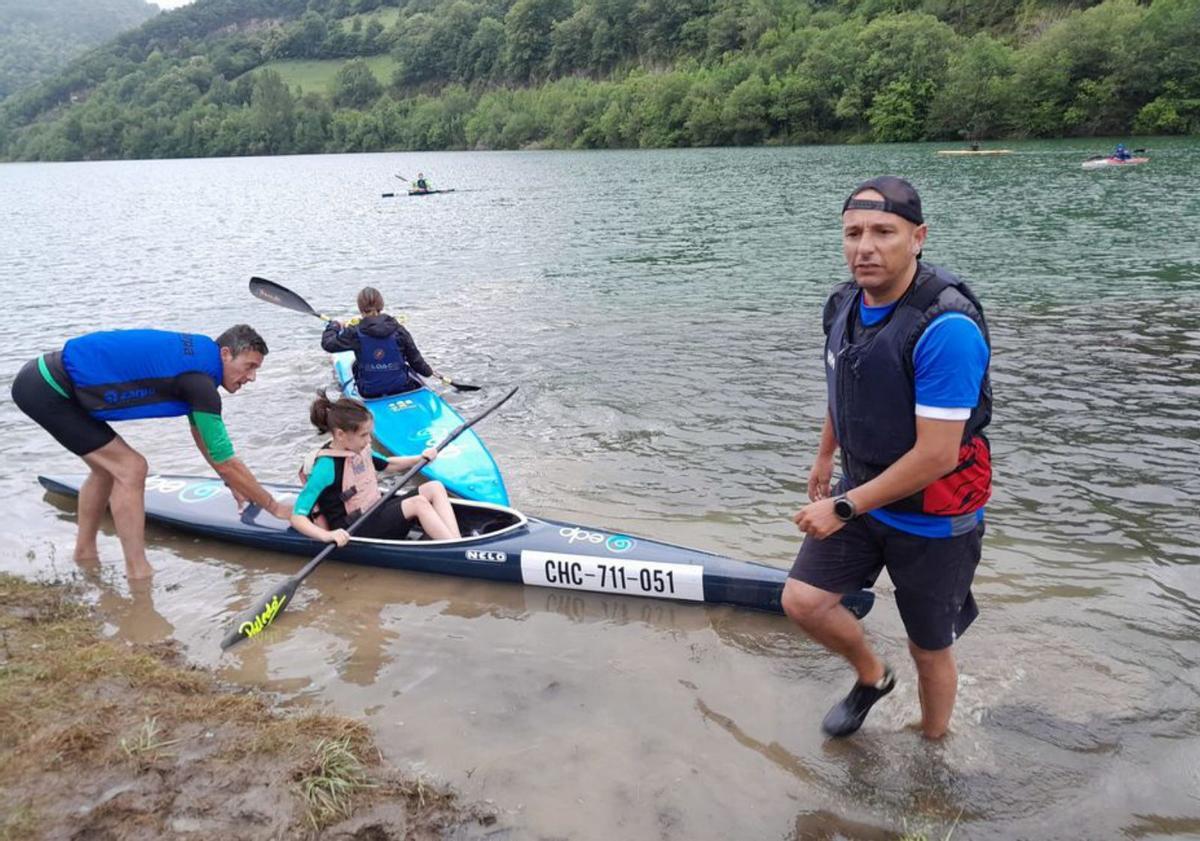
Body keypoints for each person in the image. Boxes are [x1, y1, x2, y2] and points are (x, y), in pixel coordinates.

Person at [784, 176, 992, 740]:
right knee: (803, 601)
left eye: (883, 232)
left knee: (929, 649)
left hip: (933, 515)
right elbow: (845, 383)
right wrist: (825, 456)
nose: (865, 247)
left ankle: (933, 749)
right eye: (853, 233)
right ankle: (872, 678)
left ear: (918, 237)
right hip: (863, 491)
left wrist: (844, 507)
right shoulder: (843, 303)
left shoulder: (946, 327)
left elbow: (938, 455)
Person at [11, 325, 293, 580]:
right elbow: (226, 461)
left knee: (106, 469)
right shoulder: (199, 380)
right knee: (131, 468)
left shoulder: (200, 364)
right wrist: (274, 506)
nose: (252, 377)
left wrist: (233, 483)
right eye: (249, 366)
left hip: (41, 379)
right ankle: (138, 571)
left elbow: (206, 442)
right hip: (48, 388)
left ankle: (85, 555)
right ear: (226, 353)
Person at [290, 393, 461, 545]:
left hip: (374, 510)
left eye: (369, 434)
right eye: (363, 435)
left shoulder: (358, 449)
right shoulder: (326, 466)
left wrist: (420, 458)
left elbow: (388, 464)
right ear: (341, 435)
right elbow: (297, 517)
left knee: (435, 487)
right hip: (354, 529)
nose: (368, 440)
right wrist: (327, 536)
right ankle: (458, 551)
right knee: (419, 503)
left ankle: (456, 542)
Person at [320, 286, 440, 398]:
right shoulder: (398, 329)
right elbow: (416, 361)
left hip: (368, 391)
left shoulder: (354, 332)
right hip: (401, 387)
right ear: (381, 306)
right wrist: (428, 372)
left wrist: (334, 326)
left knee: (356, 365)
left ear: (360, 308)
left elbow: (327, 344)